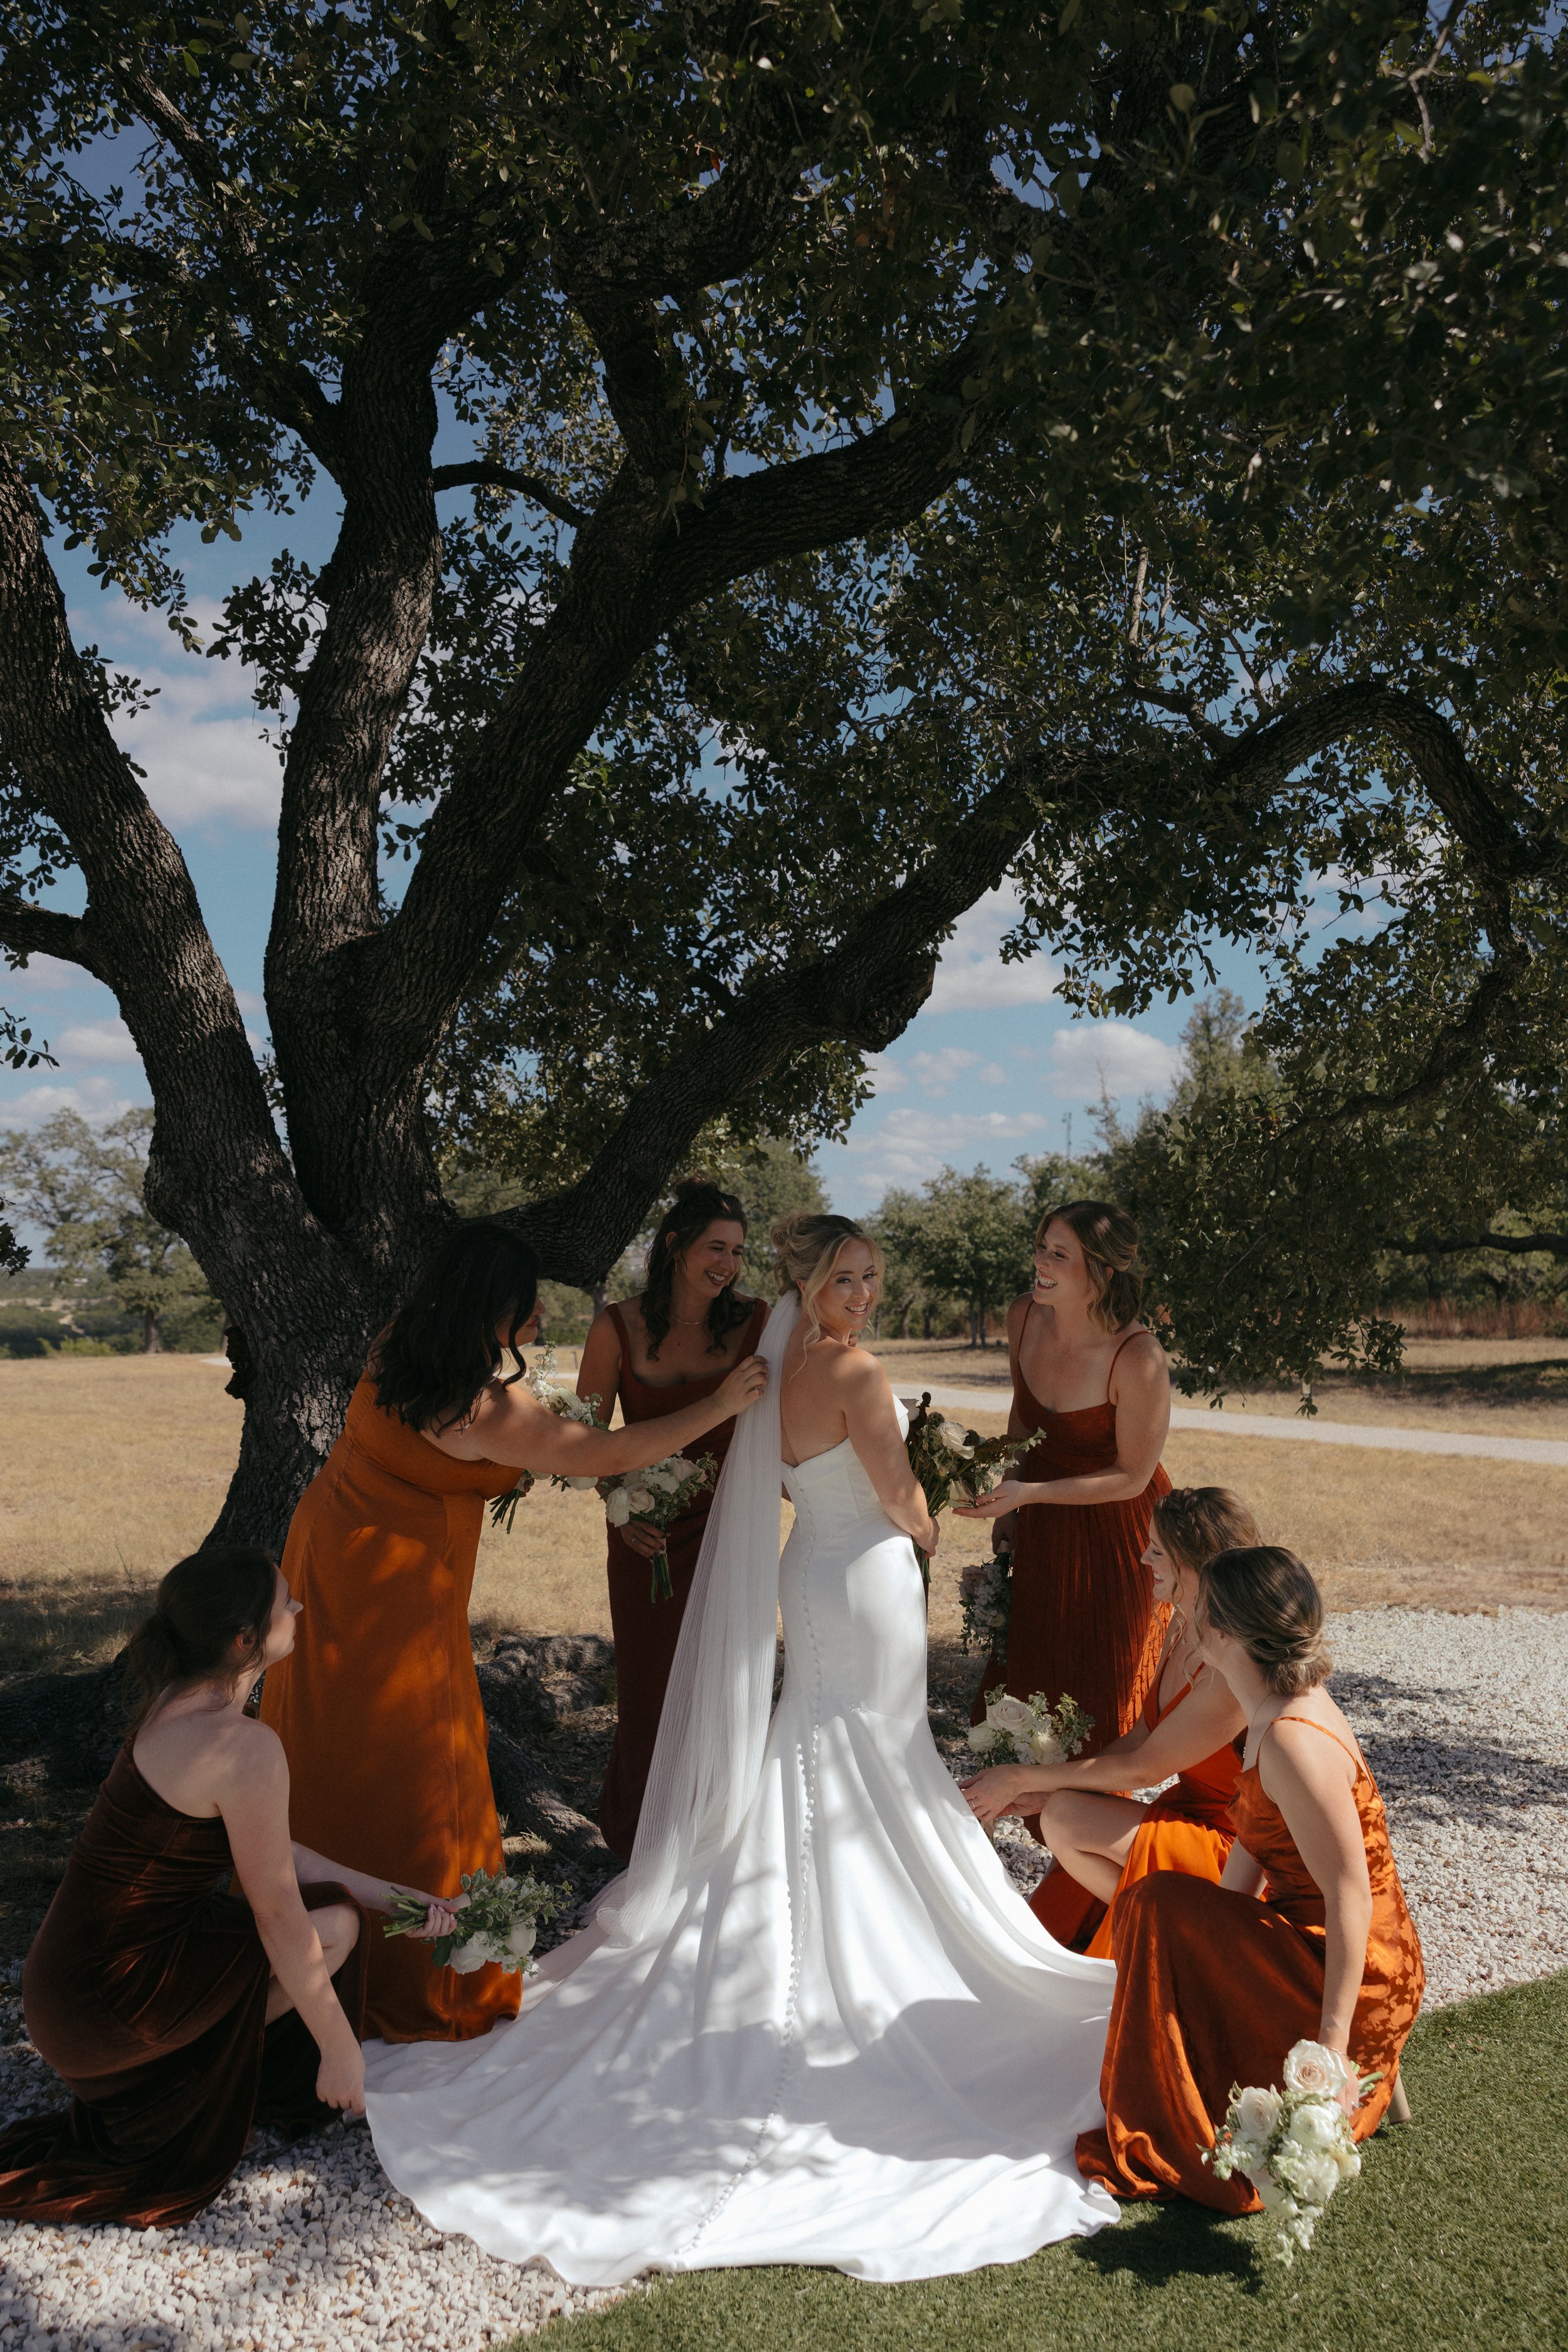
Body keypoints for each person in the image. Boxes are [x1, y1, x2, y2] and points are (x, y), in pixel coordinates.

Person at [359, 1212, 1120, 2286]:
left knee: (823, 1746)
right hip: (865, 1578)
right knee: (867, 1751)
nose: (865, 1295)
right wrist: (932, 1521)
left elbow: (772, 1479)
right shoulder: (854, 1372)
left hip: (815, 1569)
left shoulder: (776, 1362)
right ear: (810, 1286)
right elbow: (903, 1499)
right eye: (848, 1279)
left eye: (872, 1277)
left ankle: (804, 1918)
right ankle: (870, 1944)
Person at [259, 1221, 766, 2043]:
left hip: (328, 1555)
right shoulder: (481, 1406)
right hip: (397, 1593)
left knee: (330, 1737)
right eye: (529, 1305)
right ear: (495, 1306)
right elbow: (608, 1452)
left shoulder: (401, 1350)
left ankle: (319, 1928)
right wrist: (720, 1403)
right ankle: (433, 1978)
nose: (539, 1317)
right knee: (419, 1754)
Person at [0, 1547, 453, 2229]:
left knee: (330, 1911)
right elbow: (277, 1914)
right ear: (247, 1641)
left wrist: (398, 1899)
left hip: (65, 1991)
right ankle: (199, 2078)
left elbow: (279, 1855)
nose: (297, 1609)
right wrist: (339, 2048)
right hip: (109, 2010)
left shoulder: (173, 1702)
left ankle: (209, 2069)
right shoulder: (241, 1749)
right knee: (329, 1927)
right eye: (285, 1605)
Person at [1076, 1545, 1425, 2208]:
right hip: (1307, 1939)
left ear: (1225, 1633)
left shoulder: (1293, 1736)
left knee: (1152, 1900)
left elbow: (1351, 1895)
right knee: (1170, 1908)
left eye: (1199, 1612)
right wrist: (1206, 1941)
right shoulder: (1269, 1706)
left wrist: (1330, 2042)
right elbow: (1257, 1841)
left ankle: (1173, 2108)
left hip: (1356, 1969)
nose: (1187, 1622)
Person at [963, 1487, 1258, 1955]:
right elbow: (1140, 1737)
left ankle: (1180, 1944)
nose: (1143, 1559)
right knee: (1063, 1807)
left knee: (1065, 1817)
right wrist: (1041, 1788)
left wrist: (1021, 1778)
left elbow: (1146, 1769)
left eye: (1157, 1551)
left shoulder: (1229, 1664)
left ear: (1194, 1564)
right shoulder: (1183, 1626)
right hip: (1191, 1815)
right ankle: (1163, 1934)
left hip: (1239, 1850)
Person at [575, 1182, 770, 1856]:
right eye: (716, 1247)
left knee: (728, 1684)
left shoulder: (757, 1321)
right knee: (650, 1688)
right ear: (673, 1246)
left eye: (738, 1251)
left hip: (731, 1529)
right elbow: (585, 1440)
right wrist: (619, 1511)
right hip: (644, 1534)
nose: (729, 1264)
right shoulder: (616, 1326)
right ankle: (642, 1843)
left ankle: (722, 1840)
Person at [956, 1200, 1172, 1798]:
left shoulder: (1139, 1356)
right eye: (1041, 1246)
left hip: (1117, 1533)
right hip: (1043, 1518)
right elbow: (1023, 1416)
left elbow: (1133, 1474)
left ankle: (1088, 1821)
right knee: (1034, 1660)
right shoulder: (1024, 1316)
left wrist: (1031, 1493)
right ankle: (1023, 1797)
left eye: (1060, 1254)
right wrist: (1013, 1497)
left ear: (1102, 1272)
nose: (1041, 1262)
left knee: (1099, 1678)